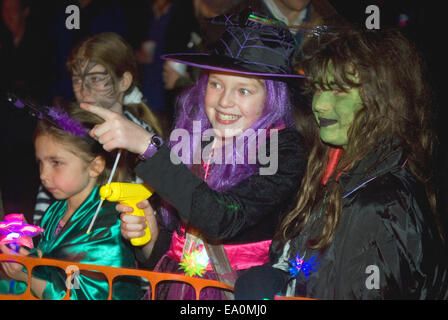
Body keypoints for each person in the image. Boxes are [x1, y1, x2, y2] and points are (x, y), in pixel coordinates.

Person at [81, 10, 307, 299]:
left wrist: (149, 147)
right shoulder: (196, 142)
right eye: (216, 84)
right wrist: (147, 231)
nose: (225, 101)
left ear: (272, 97)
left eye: (244, 91)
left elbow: (221, 218)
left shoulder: (281, 149)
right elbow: (167, 255)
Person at [234, 28, 448, 300]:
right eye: (319, 89)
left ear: (385, 101)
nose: (319, 105)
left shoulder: (378, 206)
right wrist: (276, 276)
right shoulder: (333, 172)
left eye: (339, 91)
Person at [0, 104, 144, 299]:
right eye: (40, 162)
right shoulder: (55, 212)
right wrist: (25, 259)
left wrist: (25, 274)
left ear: (95, 167)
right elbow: (50, 270)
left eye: (56, 163)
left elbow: (79, 293)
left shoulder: (108, 225)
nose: (44, 175)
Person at [33, 32, 164, 227]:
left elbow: (150, 209)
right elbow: (48, 192)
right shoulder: (70, 127)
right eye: (77, 80)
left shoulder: (142, 139)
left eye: (94, 79)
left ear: (124, 82)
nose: (83, 89)